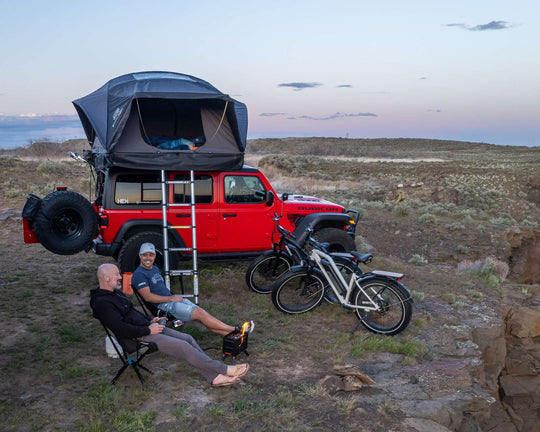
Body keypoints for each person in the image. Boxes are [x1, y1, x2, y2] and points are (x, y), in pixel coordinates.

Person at [90, 263, 249, 386]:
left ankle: (213, 377)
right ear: (106, 278)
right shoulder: (102, 303)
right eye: (116, 274)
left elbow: (132, 314)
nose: (120, 277)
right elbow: (121, 328)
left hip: (147, 328)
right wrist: (147, 329)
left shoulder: (115, 293)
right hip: (136, 337)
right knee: (183, 347)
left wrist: (151, 320)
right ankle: (224, 369)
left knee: (187, 339)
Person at [131, 243, 254, 336]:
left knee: (201, 313)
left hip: (172, 300)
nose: (148, 258)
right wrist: (172, 298)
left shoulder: (154, 268)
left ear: (155, 256)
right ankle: (236, 329)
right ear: (139, 256)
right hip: (163, 307)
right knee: (200, 314)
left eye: (151, 255)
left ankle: (231, 334)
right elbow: (148, 297)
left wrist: (173, 298)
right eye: (145, 255)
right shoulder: (139, 274)